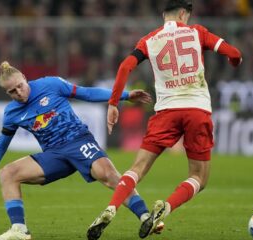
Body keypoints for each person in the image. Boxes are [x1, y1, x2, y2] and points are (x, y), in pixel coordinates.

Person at [87, 0, 243, 239]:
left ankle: (112, 207)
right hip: (196, 110)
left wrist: (113, 103)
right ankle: (166, 207)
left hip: (166, 111)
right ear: (183, 13)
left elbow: (125, 67)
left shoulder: (149, 40)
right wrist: (235, 61)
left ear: (164, 14)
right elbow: (234, 53)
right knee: (199, 178)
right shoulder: (198, 32)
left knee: (136, 169)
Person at [0, 61, 161, 240]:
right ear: (8, 94)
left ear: (25, 78)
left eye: (20, 86)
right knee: (8, 173)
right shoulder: (11, 113)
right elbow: (0, 146)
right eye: (12, 92)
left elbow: (86, 93)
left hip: (78, 141)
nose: (19, 93)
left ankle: (146, 217)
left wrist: (124, 96)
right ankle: (19, 230)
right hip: (53, 155)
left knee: (108, 174)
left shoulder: (50, 84)